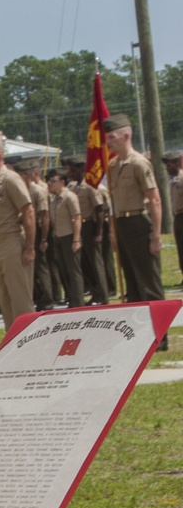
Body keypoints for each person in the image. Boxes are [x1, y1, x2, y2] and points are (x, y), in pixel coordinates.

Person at [103, 112, 167, 350]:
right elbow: (113, 202)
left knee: (149, 283)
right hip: (121, 224)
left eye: (112, 136)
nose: (108, 141)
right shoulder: (113, 165)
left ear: (126, 135)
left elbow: (155, 200)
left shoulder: (139, 163)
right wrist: (113, 231)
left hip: (140, 223)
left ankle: (160, 338)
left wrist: (156, 235)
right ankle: (139, 336)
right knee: (132, 284)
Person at [0, 130, 36, 331]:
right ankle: (13, 345)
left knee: (21, 301)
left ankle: (31, 345)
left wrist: (29, 247)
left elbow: (28, 212)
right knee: (5, 302)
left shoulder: (10, 179)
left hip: (12, 244)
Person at [62, 155, 108, 305]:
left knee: (96, 263)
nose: (70, 173)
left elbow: (100, 210)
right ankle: (94, 293)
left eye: (73, 170)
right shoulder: (73, 187)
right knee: (85, 263)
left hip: (90, 225)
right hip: (79, 226)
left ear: (82, 169)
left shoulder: (90, 186)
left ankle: (103, 295)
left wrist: (99, 233)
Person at [15, 159, 54, 312]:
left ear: (28, 175)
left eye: (21, 175)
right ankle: (36, 296)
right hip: (23, 229)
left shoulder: (37, 191)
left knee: (41, 267)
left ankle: (47, 300)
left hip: (36, 228)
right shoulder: (20, 190)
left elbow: (45, 217)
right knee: (30, 267)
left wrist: (43, 238)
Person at [45, 167, 85, 307]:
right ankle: (71, 299)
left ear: (62, 182)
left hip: (69, 237)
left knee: (74, 272)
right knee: (64, 270)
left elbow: (77, 218)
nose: (50, 184)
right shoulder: (55, 199)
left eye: (53, 181)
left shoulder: (69, 197)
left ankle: (78, 302)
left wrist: (76, 239)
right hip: (59, 237)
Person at [161, 149, 183, 289]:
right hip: (177, 216)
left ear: (177, 163)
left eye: (169, 165)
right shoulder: (171, 181)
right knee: (180, 249)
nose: (167, 169)